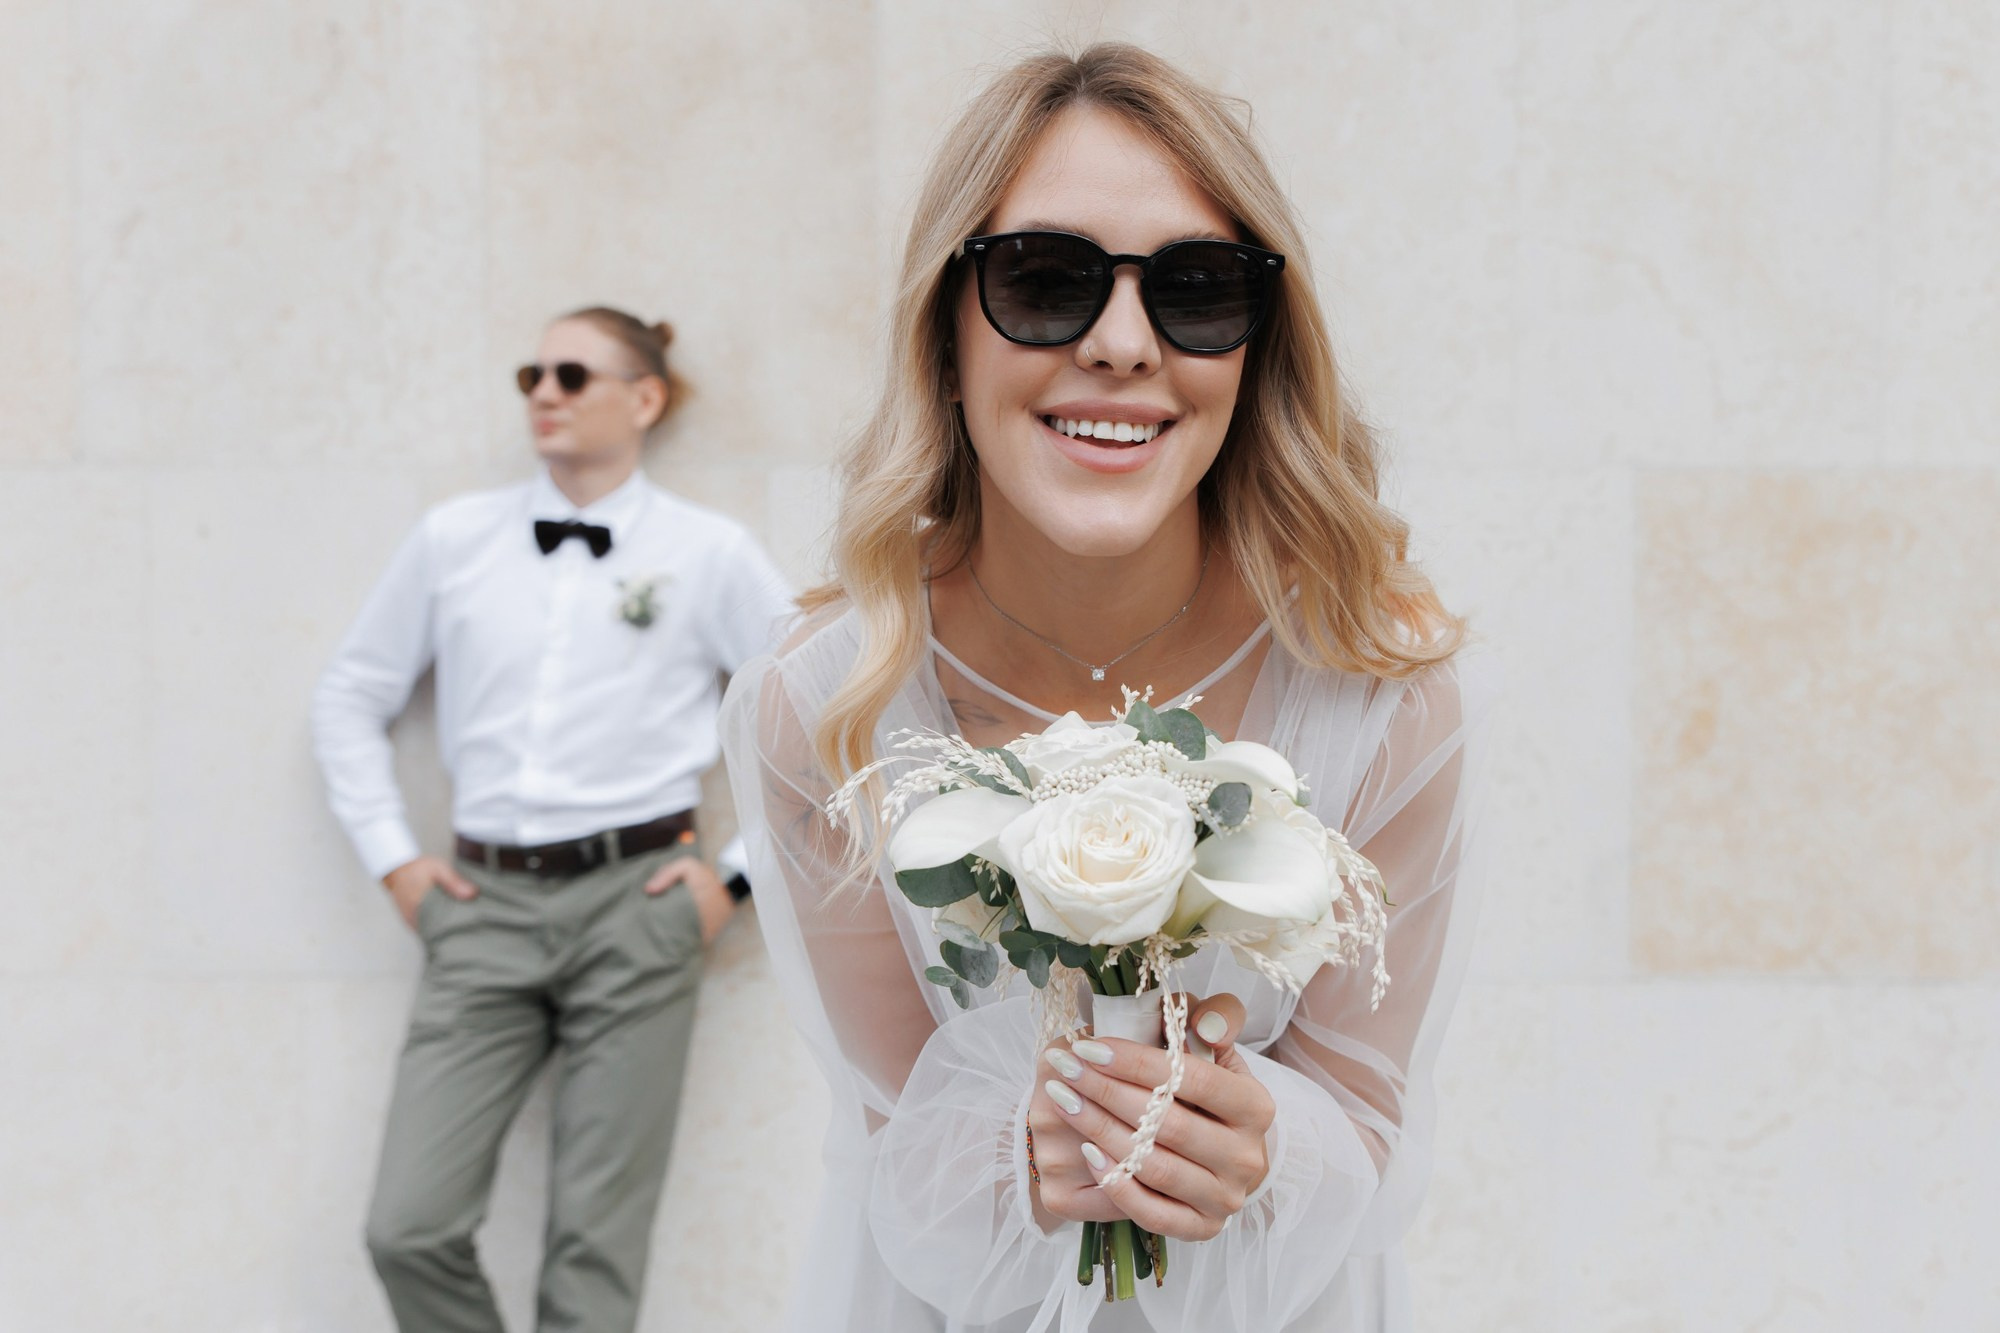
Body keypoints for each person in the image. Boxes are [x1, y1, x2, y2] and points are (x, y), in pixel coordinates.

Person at [720, 44, 1495, 1333]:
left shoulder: (1379, 697)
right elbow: (890, 1140)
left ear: (1254, 347)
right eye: (1043, 280)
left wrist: (1259, 1140)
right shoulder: (826, 707)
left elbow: (1368, 1123)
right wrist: (1015, 1161)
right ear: (944, 332)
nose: (1124, 345)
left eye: (1195, 289)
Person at [312, 306, 795, 1332]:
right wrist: (395, 862)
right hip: (479, 904)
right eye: (531, 373)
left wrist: (733, 877)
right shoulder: (454, 539)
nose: (543, 392)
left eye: (572, 375)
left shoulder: (708, 553)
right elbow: (348, 696)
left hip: (639, 907)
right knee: (407, 1227)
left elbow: (818, 722)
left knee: (593, 1252)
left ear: (645, 398)